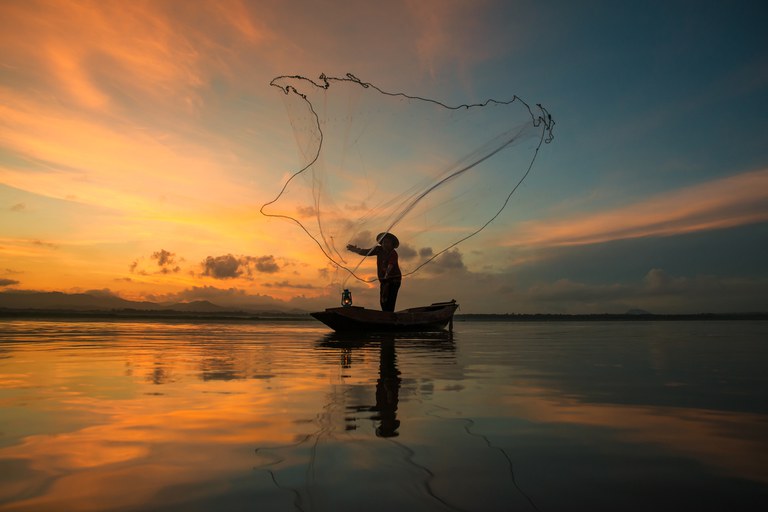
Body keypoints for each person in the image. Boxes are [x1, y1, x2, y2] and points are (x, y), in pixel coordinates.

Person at [346, 232, 402, 312]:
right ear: (381, 243)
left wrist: (387, 273)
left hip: (394, 280)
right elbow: (366, 252)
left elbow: (391, 264)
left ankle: (389, 315)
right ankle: (386, 315)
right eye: (384, 242)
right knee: (383, 300)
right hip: (384, 280)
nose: (385, 244)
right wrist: (355, 250)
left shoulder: (393, 253)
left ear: (392, 245)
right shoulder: (378, 250)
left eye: (388, 242)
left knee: (390, 300)